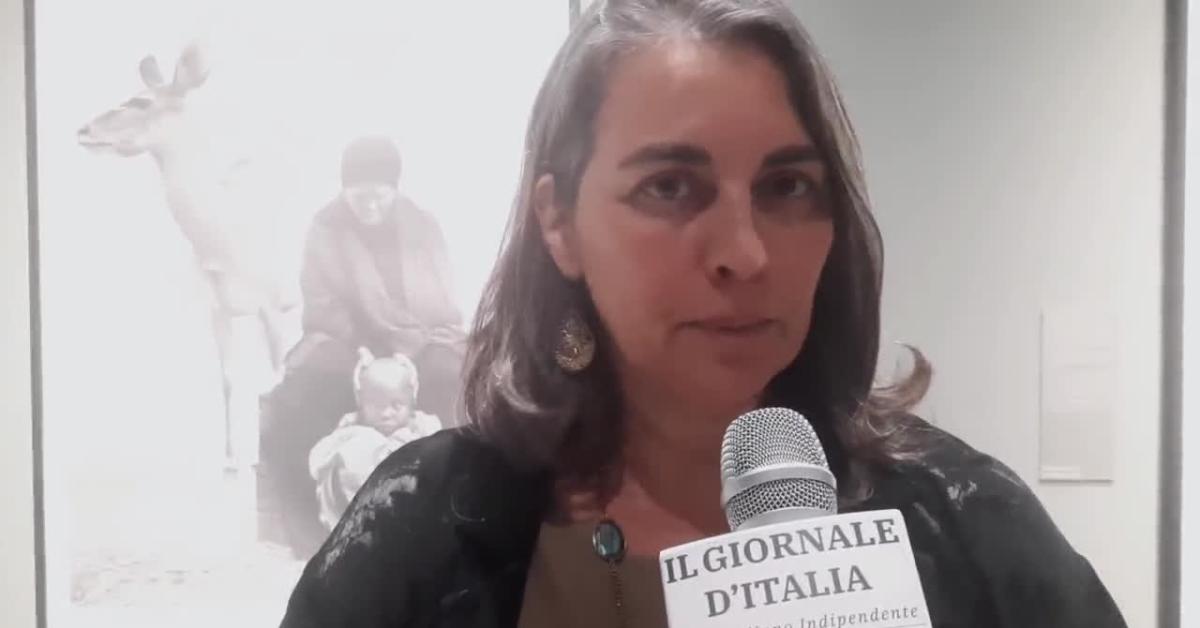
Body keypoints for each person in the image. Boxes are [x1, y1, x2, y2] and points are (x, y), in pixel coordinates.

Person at [279, 2, 1127, 627]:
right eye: (670, 187)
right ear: (559, 223)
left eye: (786, 187)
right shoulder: (427, 532)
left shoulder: (966, 523)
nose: (745, 253)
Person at [258, 136, 466, 558]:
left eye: (379, 194)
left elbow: (438, 299)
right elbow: (322, 303)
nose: (369, 204)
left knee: (456, 379)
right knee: (301, 394)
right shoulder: (325, 228)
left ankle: (454, 517)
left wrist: (407, 353)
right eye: (359, 195)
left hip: (419, 338)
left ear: (394, 189)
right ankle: (311, 532)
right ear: (344, 190)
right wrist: (363, 356)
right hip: (347, 342)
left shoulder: (422, 226)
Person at [309, 349, 442, 531]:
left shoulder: (422, 428)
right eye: (376, 405)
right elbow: (320, 463)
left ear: (411, 401)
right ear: (361, 403)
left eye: (396, 405)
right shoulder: (352, 435)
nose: (386, 414)